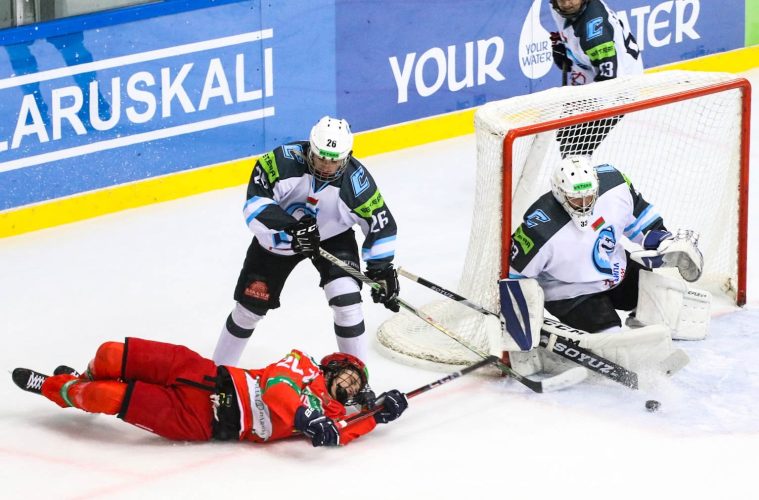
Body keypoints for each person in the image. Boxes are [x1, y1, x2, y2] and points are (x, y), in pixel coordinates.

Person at [213, 116, 399, 406]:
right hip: (279, 241)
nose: (326, 166)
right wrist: (290, 227)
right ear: (309, 148)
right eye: (320, 157)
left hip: (332, 238)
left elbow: (381, 224)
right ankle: (215, 376)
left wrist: (381, 269)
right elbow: (254, 205)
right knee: (248, 311)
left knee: (347, 303)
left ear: (347, 156)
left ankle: (357, 383)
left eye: (334, 161)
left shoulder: (356, 183)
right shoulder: (281, 162)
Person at [11, 337, 408, 447]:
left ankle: (56, 389)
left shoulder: (332, 416)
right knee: (110, 355)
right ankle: (79, 377)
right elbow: (276, 388)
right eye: (350, 374)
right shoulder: (302, 364)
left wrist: (379, 414)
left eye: (357, 386)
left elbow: (342, 432)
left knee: (106, 398)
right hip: (204, 375)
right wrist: (306, 417)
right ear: (332, 367)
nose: (351, 384)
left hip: (202, 421)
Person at [508, 156, 703, 333]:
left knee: (665, 306)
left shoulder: (614, 185)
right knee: (611, 342)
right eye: (576, 200)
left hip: (615, 270)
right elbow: (515, 277)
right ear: (560, 194)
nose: (584, 205)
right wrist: (519, 323)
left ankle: (640, 317)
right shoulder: (539, 231)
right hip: (570, 291)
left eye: (589, 197)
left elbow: (640, 219)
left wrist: (664, 241)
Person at [548, 0, 644, 157]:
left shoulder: (595, 35)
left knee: (575, 146)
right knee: (567, 137)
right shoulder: (557, 6)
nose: (566, 4)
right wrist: (564, 45)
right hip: (590, 70)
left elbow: (610, 81)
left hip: (618, 88)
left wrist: (583, 110)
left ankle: (579, 166)